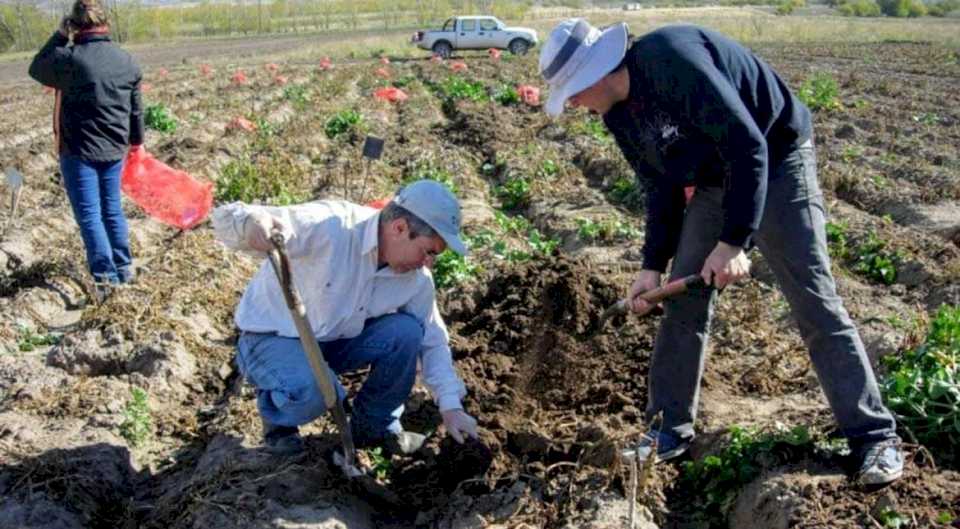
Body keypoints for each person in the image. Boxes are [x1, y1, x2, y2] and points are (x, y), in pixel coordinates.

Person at [539, 19, 903, 485]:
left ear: (596, 73)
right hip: (715, 175)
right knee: (683, 299)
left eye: (572, 92)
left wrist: (733, 243)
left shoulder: (672, 61)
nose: (572, 104)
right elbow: (660, 186)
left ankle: (874, 436)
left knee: (812, 299)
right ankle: (668, 430)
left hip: (774, 156)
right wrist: (652, 268)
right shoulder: (616, 114)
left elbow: (747, 144)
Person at [211, 180, 480, 456]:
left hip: (334, 343)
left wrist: (451, 407)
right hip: (272, 340)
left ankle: (375, 429)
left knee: (408, 332)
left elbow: (432, 339)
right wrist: (252, 223)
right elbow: (227, 217)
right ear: (399, 228)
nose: (429, 263)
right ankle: (280, 423)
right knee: (316, 390)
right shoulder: (331, 226)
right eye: (429, 251)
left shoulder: (415, 280)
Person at [28, 0, 143, 300]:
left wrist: (58, 36)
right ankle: (124, 267)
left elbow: (37, 67)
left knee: (90, 216)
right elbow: (135, 111)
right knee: (112, 210)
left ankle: (106, 280)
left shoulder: (71, 60)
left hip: (79, 151)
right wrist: (137, 144)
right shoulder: (126, 60)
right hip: (114, 148)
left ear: (75, 25)